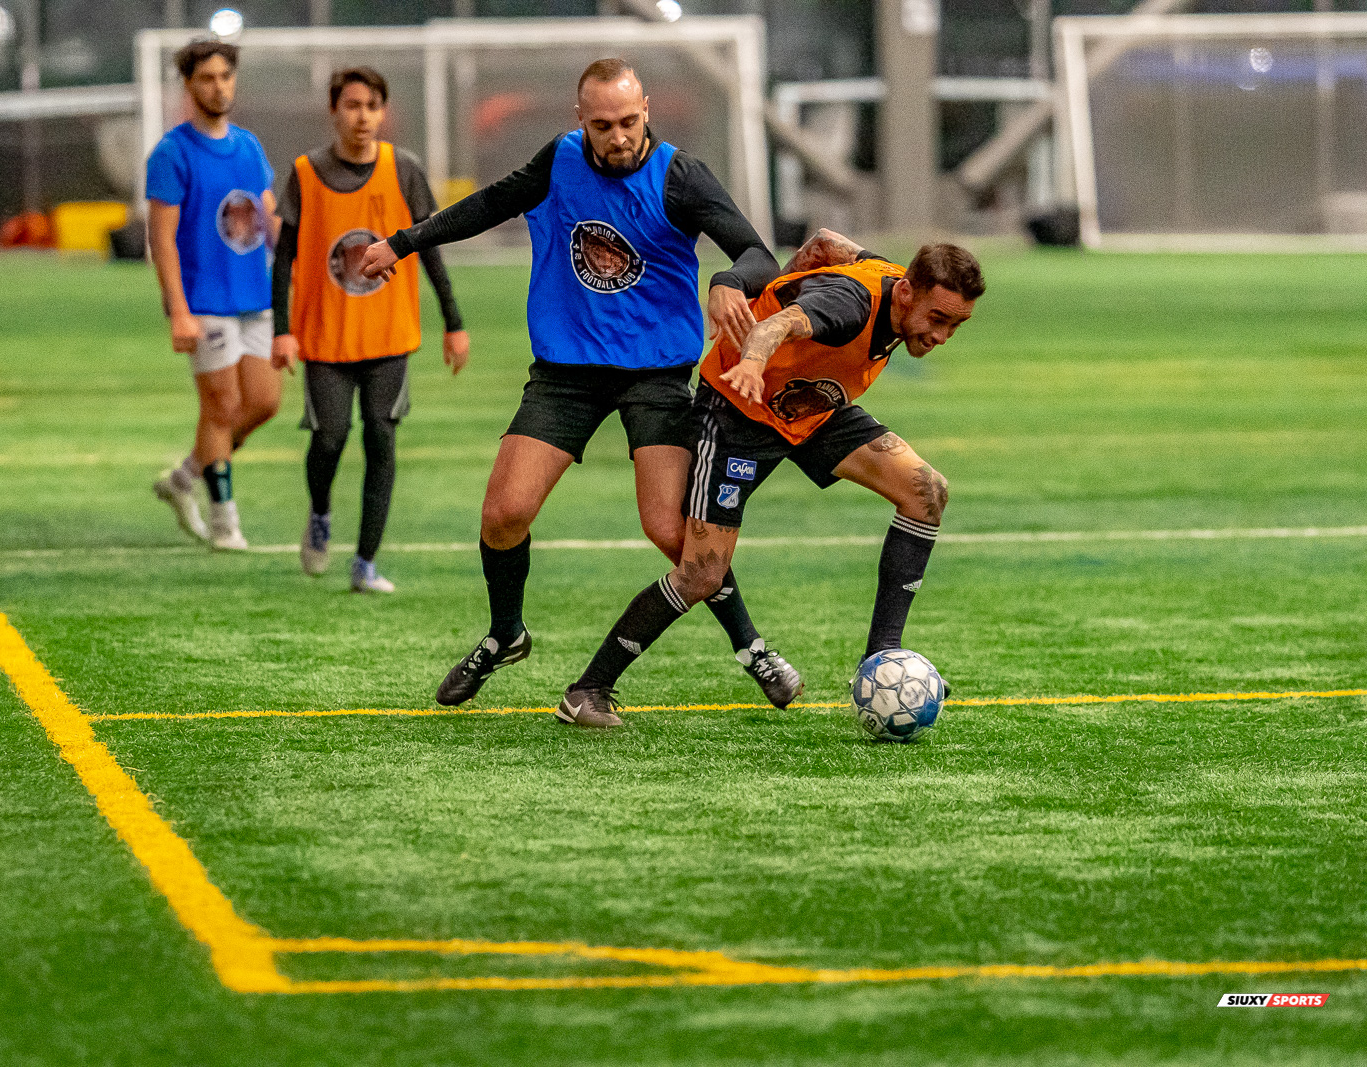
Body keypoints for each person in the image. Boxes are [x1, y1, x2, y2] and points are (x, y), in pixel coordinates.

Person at [360, 58, 801, 707]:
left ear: (646, 110)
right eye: (602, 125)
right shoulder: (560, 160)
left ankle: (752, 647)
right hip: (565, 374)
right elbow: (489, 204)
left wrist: (728, 281)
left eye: (627, 121)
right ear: (581, 121)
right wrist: (402, 243)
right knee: (503, 515)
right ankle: (505, 634)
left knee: (671, 531)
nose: (618, 137)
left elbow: (759, 254)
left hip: (654, 373)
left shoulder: (680, 176)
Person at [554, 238, 985, 727]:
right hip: (740, 411)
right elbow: (775, 326)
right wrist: (754, 362)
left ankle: (882, 657)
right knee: (701, 574)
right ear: (905, 292)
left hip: (813, 408)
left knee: (926, 492)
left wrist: (783, 284)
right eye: (937, 318)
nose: (942, 335)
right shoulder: (848, 305)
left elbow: (825, 242)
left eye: (956, 324)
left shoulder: (888, 276)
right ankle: (587, 690)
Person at [270, 67, 469, 594]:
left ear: (383, 112)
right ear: (334, 111)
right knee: (330, 437)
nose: (363, 116)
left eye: (372, 106)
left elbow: (430, 247)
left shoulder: (404, 169)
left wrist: (454, 322)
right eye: (352, 105)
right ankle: (319, 512)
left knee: (381, 437)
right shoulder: (306, 172)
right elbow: (284, 257)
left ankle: (365, 562)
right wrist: (282, 330)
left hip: (388, 336)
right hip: (325, 337)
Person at [146, 39, 281, 551]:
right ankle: (225, 522)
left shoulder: (249, 146)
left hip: (256, 297)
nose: (218, 86)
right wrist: (178, 311)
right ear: (188, 85)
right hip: (204, 301)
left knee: (263, 403)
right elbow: (162, 239)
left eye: (225, 76)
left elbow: (268, 216)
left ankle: (184, 478)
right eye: (207, 78)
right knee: (221, 406)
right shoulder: (172, 153)